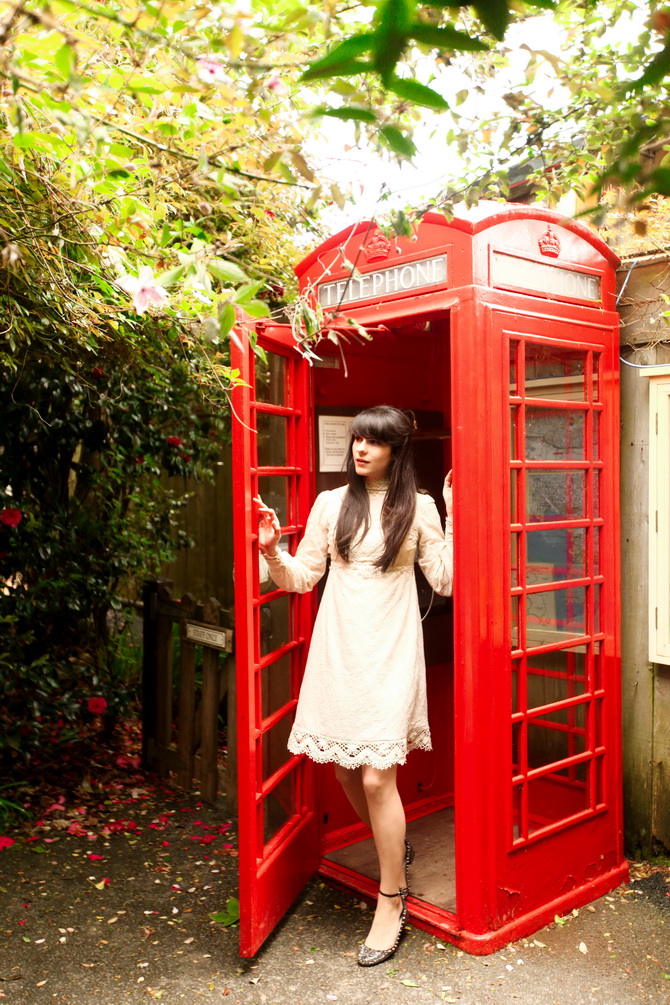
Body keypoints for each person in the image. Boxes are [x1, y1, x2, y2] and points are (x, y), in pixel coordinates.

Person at [255, 405, 453, 967]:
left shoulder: (419, 507)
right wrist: (272, 548)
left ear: (397, 449)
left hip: (390, 646)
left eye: (375, 441)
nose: (360, 449)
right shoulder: (329, 504)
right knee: (343, 767)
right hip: (339, 645)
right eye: (358, 440)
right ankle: (397, 848)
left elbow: (446, 579)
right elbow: (302, 578)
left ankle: (392, 899)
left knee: (374, 776)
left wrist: (458, 518)